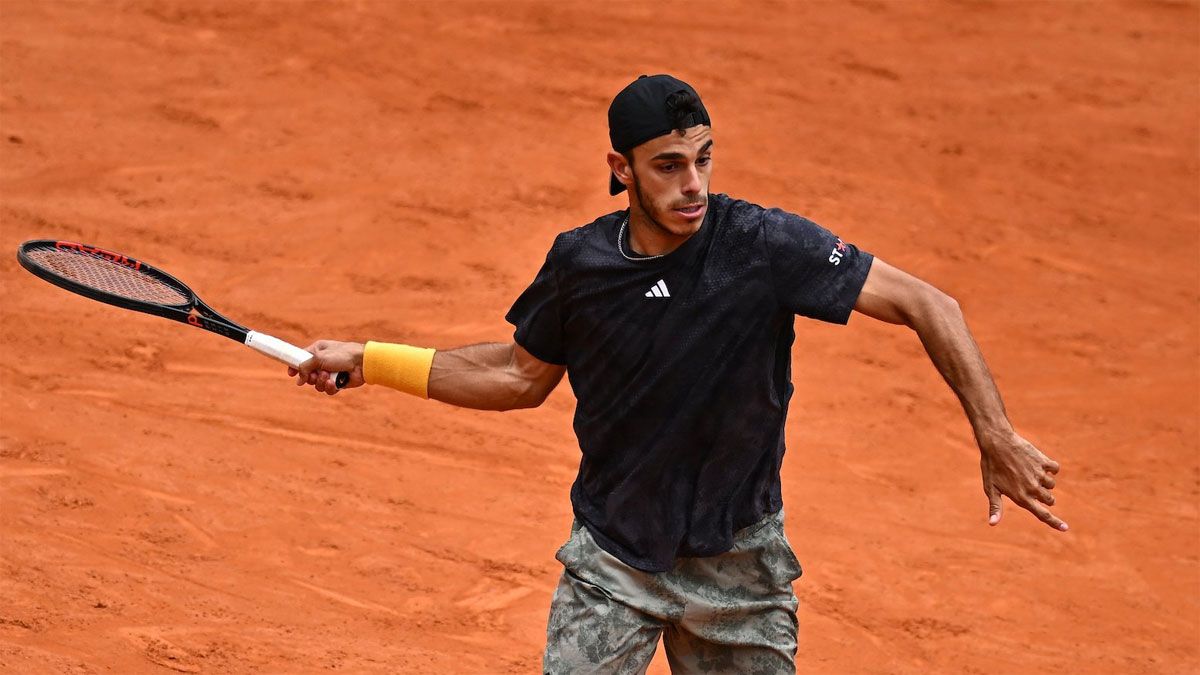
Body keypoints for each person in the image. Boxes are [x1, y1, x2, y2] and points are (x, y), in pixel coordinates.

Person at [289, 74, 1066, 674]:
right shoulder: (582, 264)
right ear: (620, 169)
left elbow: (928, 302)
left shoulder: (763, 246)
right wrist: (369, 358)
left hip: (741, 565)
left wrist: (993, 432)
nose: (692, 184)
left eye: (703, 159)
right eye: (666, 165)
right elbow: (521, 374)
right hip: (614, 558)